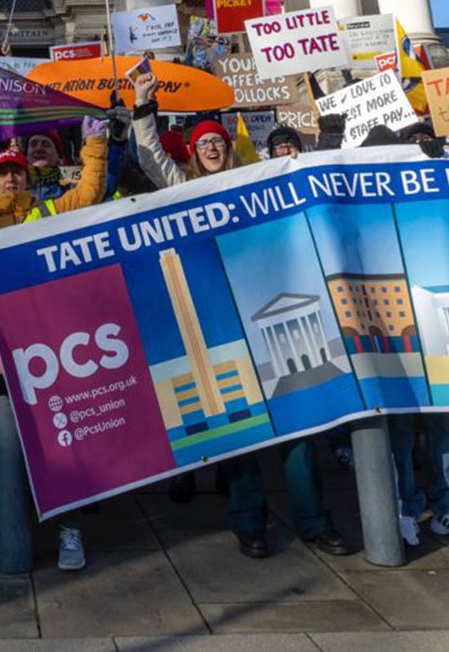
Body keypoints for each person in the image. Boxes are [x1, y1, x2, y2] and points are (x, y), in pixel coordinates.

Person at [128, 73, 359, 559]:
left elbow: (304, 180)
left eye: (218, 141)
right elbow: (148, 156)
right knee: (242, 430)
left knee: (300, 426)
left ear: (230, 148)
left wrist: (329, 138)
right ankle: (248, 521)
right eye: (203, 143)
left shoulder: (255, 181)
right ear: (193, 153)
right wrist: (144, 103)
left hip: (271, 313)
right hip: (218, 320)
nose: (211, 147)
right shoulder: (183, 187)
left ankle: (315, 521)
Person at [0, 123, 111, 574]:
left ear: (27, 180)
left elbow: (89, 192)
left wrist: (95, 143)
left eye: (18, 174)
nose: (11, 181)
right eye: (4, 174)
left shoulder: (44, 216)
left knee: (62, 447)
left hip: (48, 353)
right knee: (8, 452)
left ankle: (68, 529)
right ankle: (10, 527)